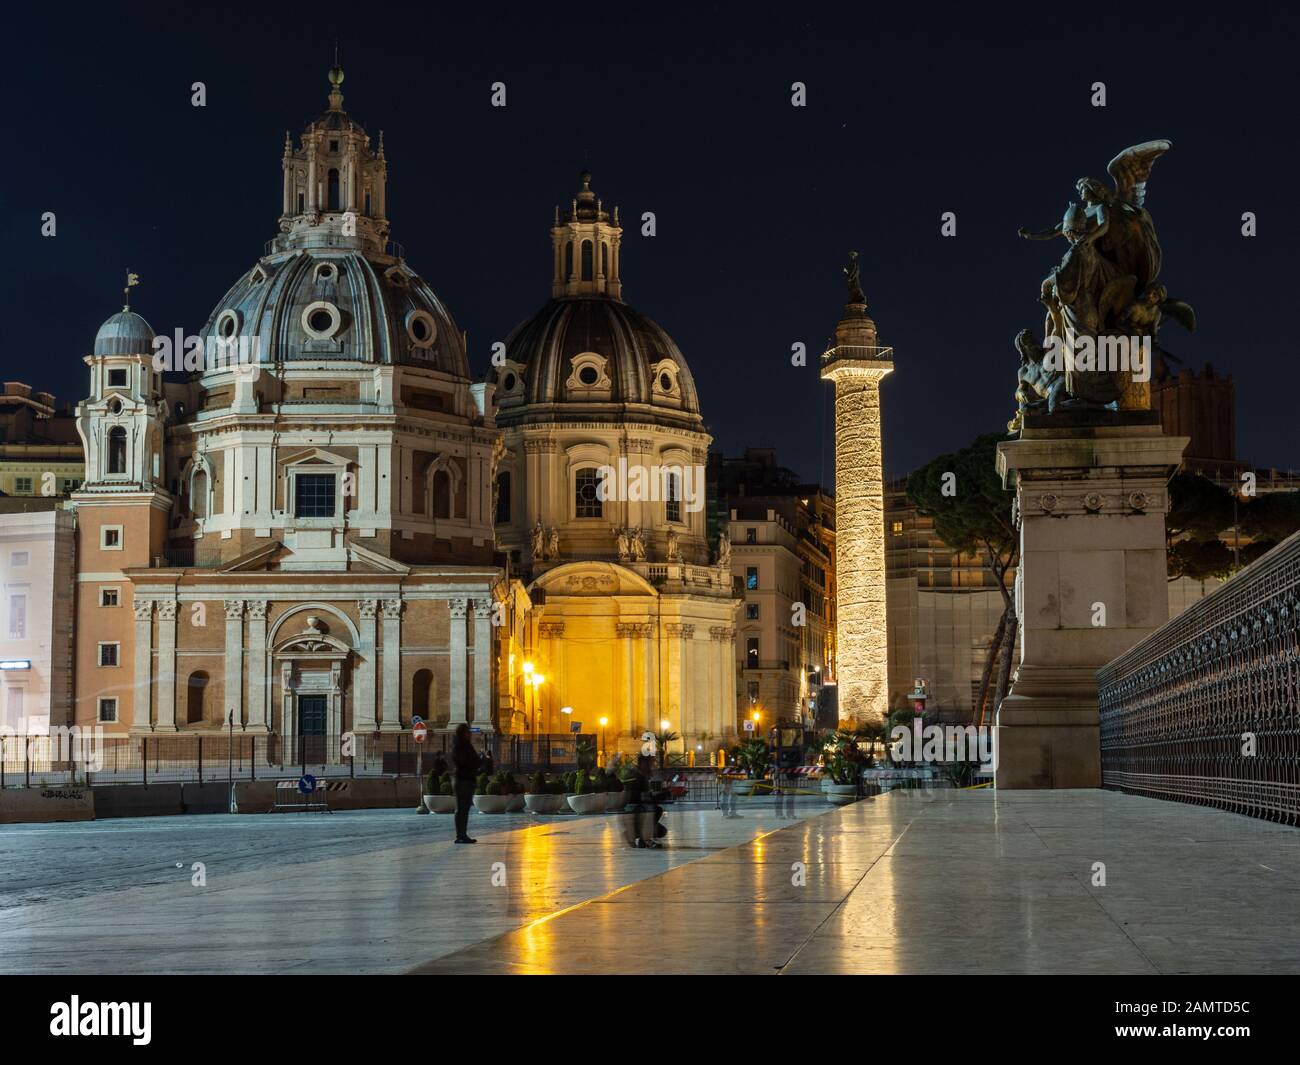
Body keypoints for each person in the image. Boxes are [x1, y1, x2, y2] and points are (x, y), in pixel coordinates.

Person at [451, 724, 480, 844]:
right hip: (463, 780)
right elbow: (465, 761)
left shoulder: (466, 745)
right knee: (461, 809)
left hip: (468, 779)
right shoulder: (460, 746)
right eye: (467, 732)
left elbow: (475, 760)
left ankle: (463, 834)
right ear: (463, 733)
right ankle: (460, 835)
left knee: (465, 809)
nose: (470, 734)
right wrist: (474, 762)